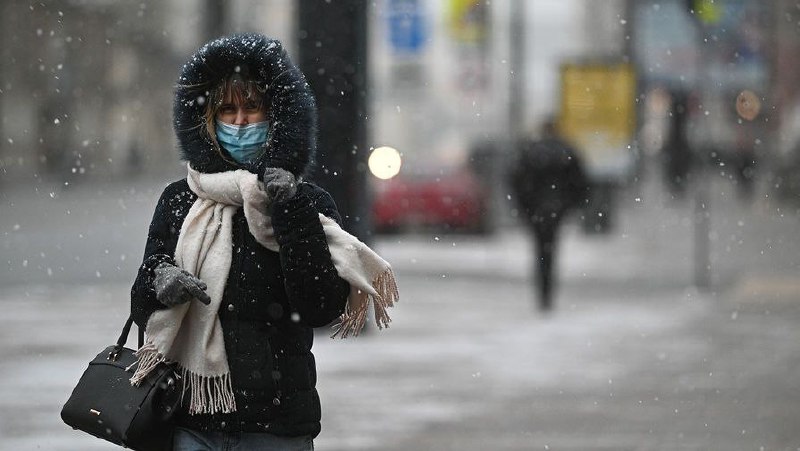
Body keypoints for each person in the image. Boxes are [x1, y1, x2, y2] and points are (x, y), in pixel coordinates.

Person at [130, 33, 398, 450]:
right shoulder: (180, 199)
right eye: (226, 109)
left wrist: (289, 208)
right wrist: (160, 280)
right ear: (206, 121)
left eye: (251, 107)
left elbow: (319, 307)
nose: (238, 121)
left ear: (276, 117)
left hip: (275, 427)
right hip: (189, 420)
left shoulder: (307, 201)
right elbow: (142, 300)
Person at [508, 118, 589, 311]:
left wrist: (524, 207)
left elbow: (517, 181)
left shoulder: (531, 152)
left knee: (540, 250)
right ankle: (547, 292)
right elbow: (580, 183)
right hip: (556, 208)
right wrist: (570, 205)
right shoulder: (566, 152)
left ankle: (543, 292)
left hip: (536, 209)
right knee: (550, 249)